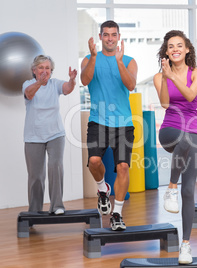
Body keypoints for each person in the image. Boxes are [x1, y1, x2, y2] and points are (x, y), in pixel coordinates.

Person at [80, 20, 138, 231]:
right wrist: (94, 57)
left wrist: (119, 62)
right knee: (94, 161)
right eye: (106, 35)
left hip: (123, 123)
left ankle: (117, 214)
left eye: (113, 35)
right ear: (101, 36)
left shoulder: (129, 61)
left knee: (122, 166)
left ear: (118, 37)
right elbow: (85, 81)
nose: (110, 38)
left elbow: (131, 85)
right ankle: (102, 188)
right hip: (98, 120)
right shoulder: (88, 59)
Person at [153, 30, 197, 264]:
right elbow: (165, 103)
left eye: (179, 45)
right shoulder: (159, 76)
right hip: (170, 130)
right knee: (184, 138)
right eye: (170, 46)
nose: (175, 49)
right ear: (166, 51)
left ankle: (185, 245)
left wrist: (174, 78)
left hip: (193, 131)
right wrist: (167, 77)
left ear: (187, 50)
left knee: (189, 190)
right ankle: (171, 186)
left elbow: (191, 94)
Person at [23, 55, 77, 215]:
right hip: (33, 136)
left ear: (51, 71)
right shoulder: (28, 84)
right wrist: (40, 82)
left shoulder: (55, 84)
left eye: (47, 68)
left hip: (55, 134)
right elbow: (29, 94)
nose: (44, 71)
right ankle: (34, 210)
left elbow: (67, 88)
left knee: (55, 167)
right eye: (41, 68)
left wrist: (72, 80)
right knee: (36, 176)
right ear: (34, 70)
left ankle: (57, 206)